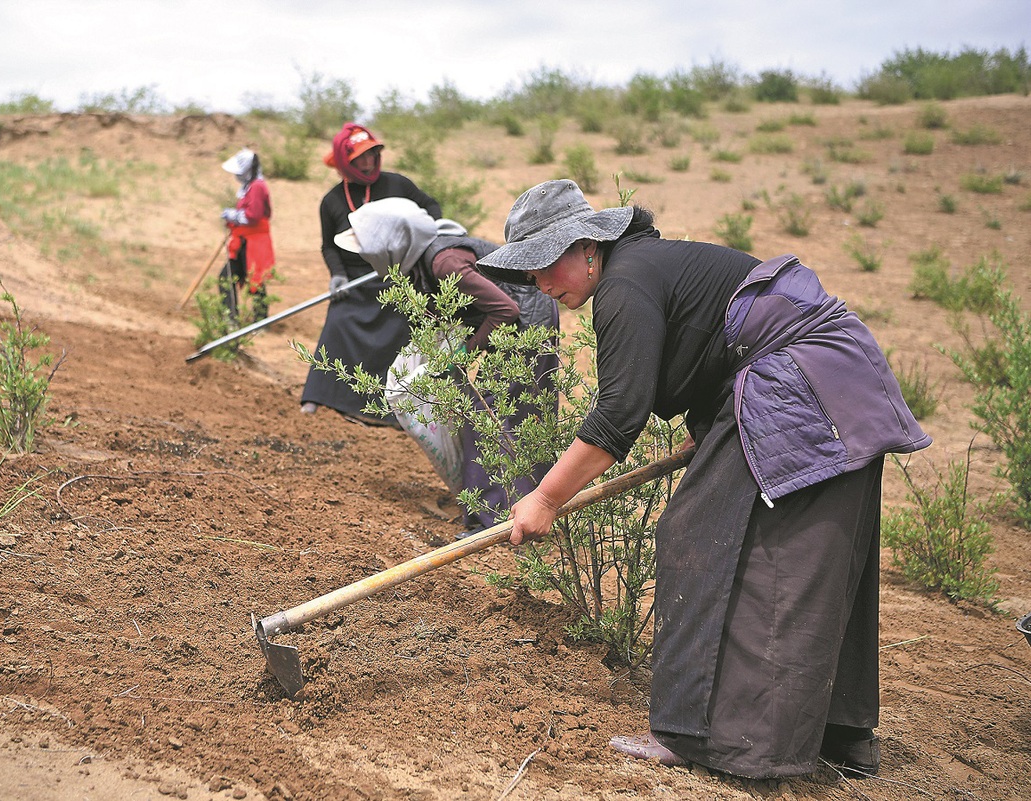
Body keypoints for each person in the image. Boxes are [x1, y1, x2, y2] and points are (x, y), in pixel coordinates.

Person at [477, 180, 931, 779]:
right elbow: (711, 345)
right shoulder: (645, 265)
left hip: (800, 381)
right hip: (836, 383)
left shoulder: (624, 283)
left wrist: (545, 497)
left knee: (697, 537)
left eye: (544, 263)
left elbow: (619, 413)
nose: (539, 283)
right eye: (527, 271)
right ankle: (837, 735)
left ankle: (701, 736)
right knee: (819, 552)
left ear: (588, 246)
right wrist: (715, 429)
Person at [333, 197, 559, 529]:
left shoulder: (443, 262)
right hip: (515, 322)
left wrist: (464, 352)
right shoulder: (427, 256)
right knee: (503, 416)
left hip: (526, 323)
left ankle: (492, 519)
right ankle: (514, 507)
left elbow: (506, 310)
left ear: (391, 246)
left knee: (489, 418)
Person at [300, 123, 441, 425]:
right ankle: (318, 396)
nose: (368, 162)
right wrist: (337, 275)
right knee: (337, 323)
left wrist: (427, 237)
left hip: (399, 276)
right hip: (356, 281)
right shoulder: (332, 201)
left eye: (372, 154)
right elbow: (329, 246)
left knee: (408, 329)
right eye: (359, 158)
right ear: (344, 163)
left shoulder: (398, 185)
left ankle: (402, 407)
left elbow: (431, 207)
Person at [220, 148, 274, 323]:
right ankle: (232, 318)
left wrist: (232, 215)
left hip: (254, 242)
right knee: (229, 277)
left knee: (255, 279)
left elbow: (254, 215)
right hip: (245, 240)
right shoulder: (250, 186)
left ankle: (259, 320)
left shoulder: (257, 186)